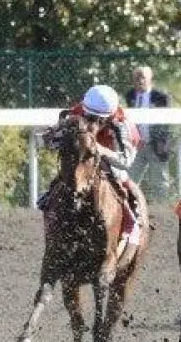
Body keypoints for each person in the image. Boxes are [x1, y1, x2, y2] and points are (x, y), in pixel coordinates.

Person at [42, 85, 143, 248]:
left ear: (110, 116)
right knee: (65, 176)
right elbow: (51, 143)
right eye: (90, 117)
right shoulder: (78, 112)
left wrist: (99, 150)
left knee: (122, 180)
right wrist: (53, 136)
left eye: (99, 120)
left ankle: (132, 222)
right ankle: (49, 208)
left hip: (111, 155)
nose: (94, 122)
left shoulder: (123, 125)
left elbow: (126, 161)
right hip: (85, 155)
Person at [125, 66, 173, 200]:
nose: (140, 81)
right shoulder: (130, 95)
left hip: (156, 145)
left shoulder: (161, 97)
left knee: (160, 181)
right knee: (130, 178)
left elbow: (166, 122)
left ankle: (162, 206)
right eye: (137, 78)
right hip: (136, 146)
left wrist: (162, 142)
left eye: (143, 77)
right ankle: (131, 204)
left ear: (150, 79)